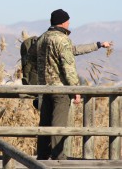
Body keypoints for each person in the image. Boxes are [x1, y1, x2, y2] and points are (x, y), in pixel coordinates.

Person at [36, 9, 112, 160]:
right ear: (63, 22)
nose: (69, 24)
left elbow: (73, 50)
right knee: (59, 124)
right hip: (60, 89)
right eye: (68, 21)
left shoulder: (42, 38)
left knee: (44, 124)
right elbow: (68, 66)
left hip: (43, 88)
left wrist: (98, 45)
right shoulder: (62, 40)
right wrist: (75, 89)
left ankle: (42, 157)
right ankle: (58, 158)